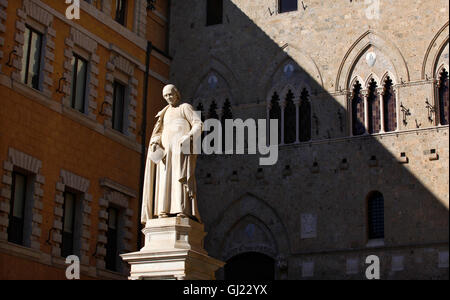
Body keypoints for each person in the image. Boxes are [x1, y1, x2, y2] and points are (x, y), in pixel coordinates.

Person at [141, 84, 203, 224]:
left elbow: (198, 124)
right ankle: (163, 210)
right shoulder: (165, 112)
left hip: (180, 151)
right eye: (166, 96)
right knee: (164, 180)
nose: (168, 98)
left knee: (179, 179)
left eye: (170, 94)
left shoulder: (184, 107)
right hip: (165, 153)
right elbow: (159, 132)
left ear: (177, 93)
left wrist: (189, 136)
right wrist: (155, 141)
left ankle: (182, 210)